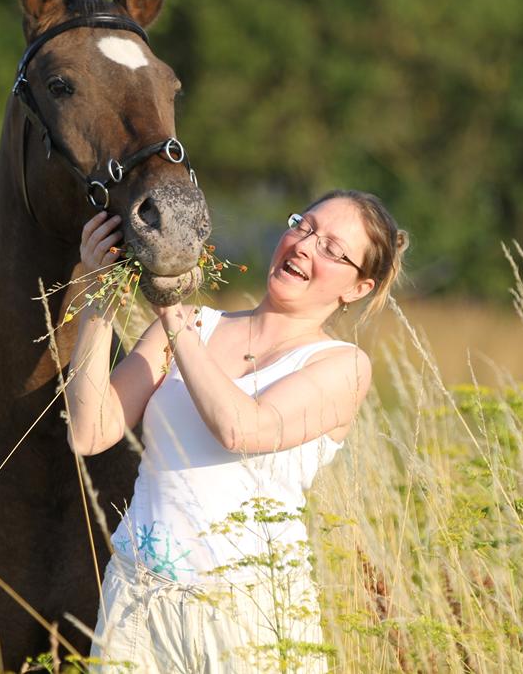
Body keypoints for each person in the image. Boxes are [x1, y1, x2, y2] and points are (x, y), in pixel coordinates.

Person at [66, 189, 408, 673]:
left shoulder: (342, 366)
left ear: (358, 288)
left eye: (332, 249)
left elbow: (241, 429)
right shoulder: (192, 325)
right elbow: (89, 431)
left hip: (249, 615)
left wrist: (169, 312)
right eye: (304, 227)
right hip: (136, 600)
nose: (304, 246)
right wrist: (98, 298)